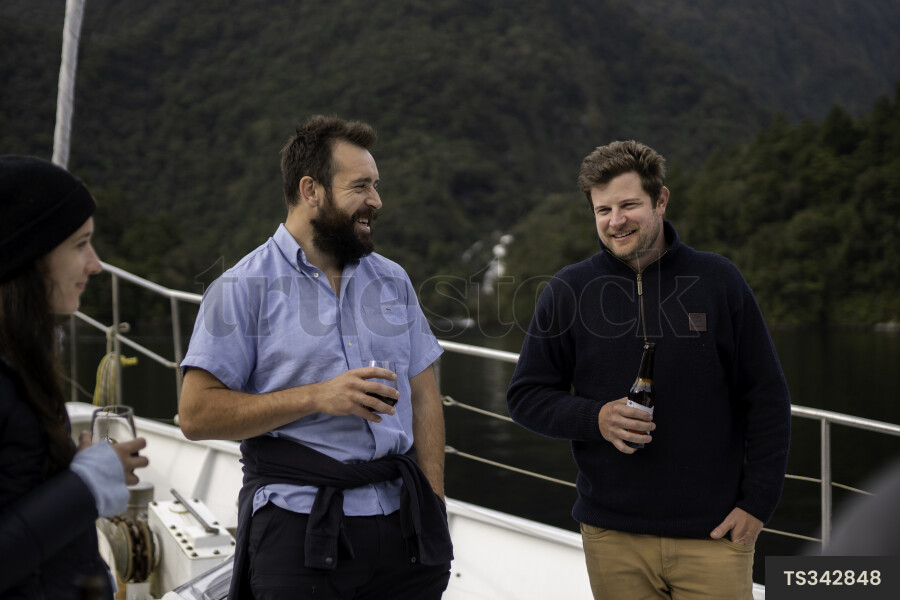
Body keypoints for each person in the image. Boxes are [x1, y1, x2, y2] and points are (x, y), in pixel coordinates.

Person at [179, 115, 452, 600]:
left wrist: (432, 501)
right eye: (361, 186)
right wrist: (316, 397)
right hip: (297, 529)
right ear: (311, 190)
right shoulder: (240, 288)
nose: (376, 200)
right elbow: (196, 415)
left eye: (376, 186)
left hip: (403, 529)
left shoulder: (393, 279)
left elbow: (425, 395)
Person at [506, 140, 791, 599]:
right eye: (603, 210)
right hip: (612, 537)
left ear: (660, 200)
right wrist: (596, 418)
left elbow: (767, 399)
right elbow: (526, 396)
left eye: (628, 205)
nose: (615, 220)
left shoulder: (719, 280)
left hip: (714, 533)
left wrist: (757, 504)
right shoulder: (568, 289)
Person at [0, 155, 149, 599]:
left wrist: (68, 472)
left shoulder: (20, 363)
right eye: (81, 244)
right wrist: (85, 485)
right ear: (29, 257)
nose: (96, 264)